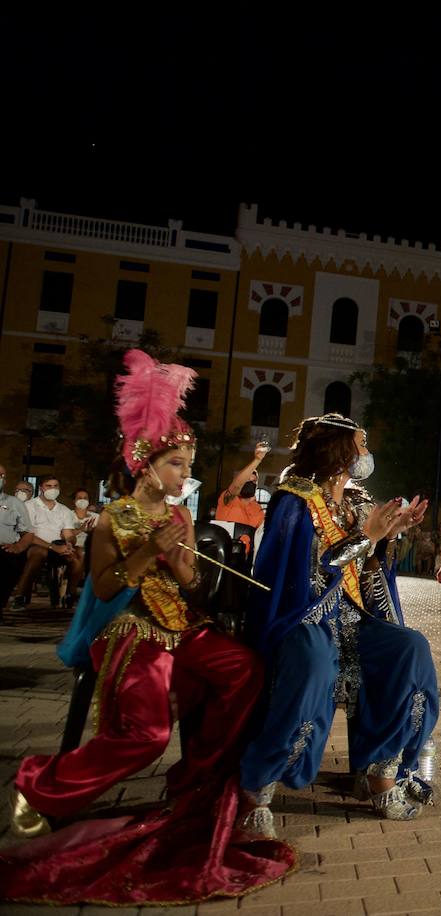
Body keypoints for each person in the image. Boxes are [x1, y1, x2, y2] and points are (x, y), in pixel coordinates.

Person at [2, 349, 293, 905]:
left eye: (187, 465)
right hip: (132, 630)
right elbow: (108, 587)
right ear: (145, 465)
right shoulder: (113, 518)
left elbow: (190, 586)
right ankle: (37, 787)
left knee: (245, 669)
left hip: (182, 627)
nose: (186, 475)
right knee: (146, 735)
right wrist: (146, 558)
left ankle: (196, 781)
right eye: (177, 465)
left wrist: (184, 564)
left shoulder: (180, 517)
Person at [237, 413, 439, 834]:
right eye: (361, 446)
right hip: (305, 615)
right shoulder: (294, 500)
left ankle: (381, 771)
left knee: (410, 648)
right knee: (314, 664)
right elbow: (310, 571)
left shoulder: (356, 501)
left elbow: (367, 566)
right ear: (340, 451)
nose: (366, 455)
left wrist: (390, 534)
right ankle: (257, 786)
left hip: (351, 616)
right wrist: (369, 536)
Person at [11, 475, 82, 609]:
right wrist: (52, 547)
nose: (52, 489)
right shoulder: (29, 506)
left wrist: (69, 543)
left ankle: (70, 595)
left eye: (55, 486)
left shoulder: (64, 510)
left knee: (79, 554)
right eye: (48, 486)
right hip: (35, 545)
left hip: (58, 546)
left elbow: (68, 534)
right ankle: (20, 596)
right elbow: (27, 535)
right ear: (41, 488)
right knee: (38, 553)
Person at [217, 442, 270, 558]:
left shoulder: (257, 508)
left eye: (253, 481)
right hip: (222, 556)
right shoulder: (228, 500)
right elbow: (236, 486)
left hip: (245, 560)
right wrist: (257, 460)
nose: (250, 483)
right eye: (247, 481)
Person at [0, 462, 34, 616]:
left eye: (2, 476)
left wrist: (19, 547)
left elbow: (28, 532)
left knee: (11, 562)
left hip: (4, 548)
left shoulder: (15, 503)